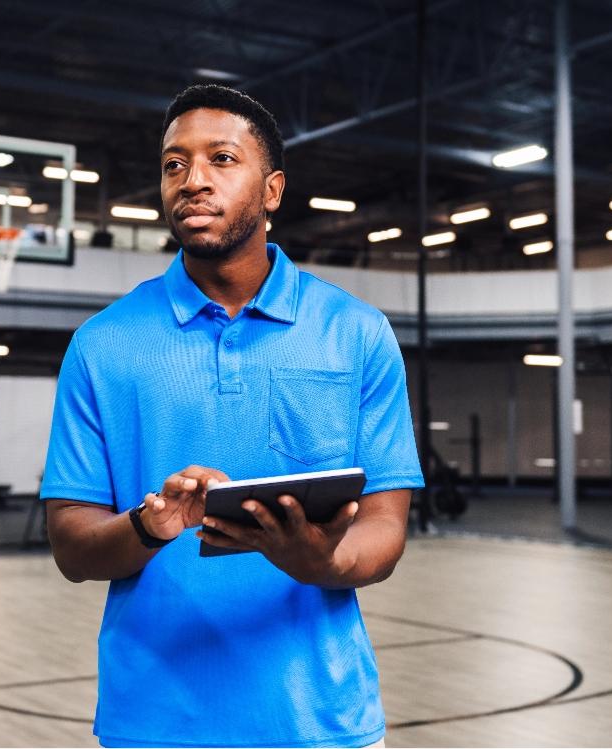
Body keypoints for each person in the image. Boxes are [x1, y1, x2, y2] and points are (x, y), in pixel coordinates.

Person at [40, 84, 424, 748]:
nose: (192, 180)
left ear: (272, 189)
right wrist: (148, 525)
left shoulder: (356, 333)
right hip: (154, 725)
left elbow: (387, 527)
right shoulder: (103, 344)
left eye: (221, 158)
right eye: (173, 163)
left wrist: (320, 562)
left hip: (323, 725)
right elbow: (71, 545)